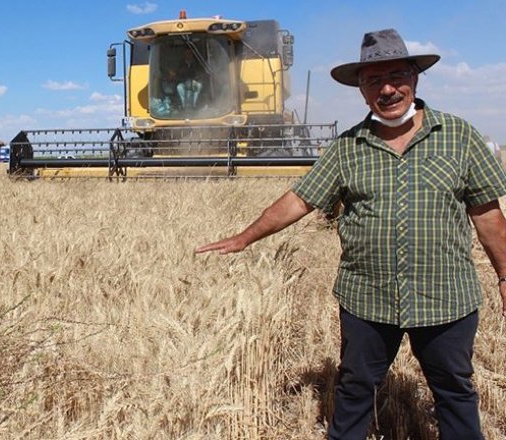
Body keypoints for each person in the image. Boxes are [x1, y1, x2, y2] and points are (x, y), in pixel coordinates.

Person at [194, 29, 506, 439]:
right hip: (368, 299)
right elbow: (299, 200)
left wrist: (504, 275)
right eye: (373, 80)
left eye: (397, 75)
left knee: (453, 390)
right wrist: (244, 237)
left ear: (415, 77)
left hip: (445, 297)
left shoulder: (459, 137)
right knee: (356, 388)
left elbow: (487, 215)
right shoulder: (346, 148)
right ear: (361, 89)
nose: (388, 89)